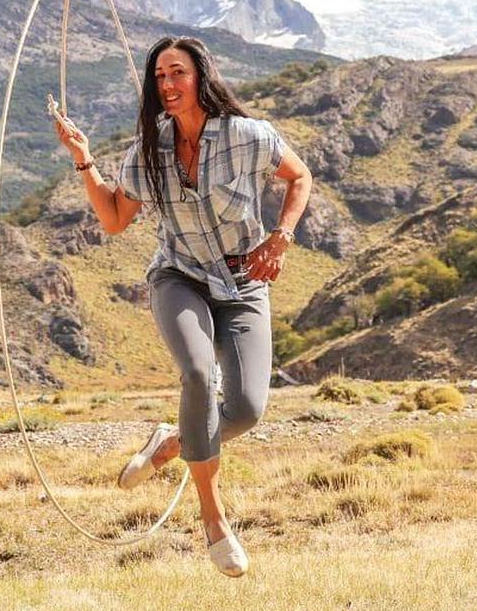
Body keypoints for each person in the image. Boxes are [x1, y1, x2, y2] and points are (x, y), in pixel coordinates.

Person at [53, 35, 312, 577]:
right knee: (198, 374)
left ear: (201, 76)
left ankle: (172, 442)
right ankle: (214, 521)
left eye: (178, 73)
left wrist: (282, 236)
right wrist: (84, 162)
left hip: (244, 282)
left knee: (245, 409)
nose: (168, 85)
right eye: (160, 77)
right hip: (179, 276)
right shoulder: (148, 151)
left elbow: (300, 177)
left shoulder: (247, 136)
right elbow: (115, 219)